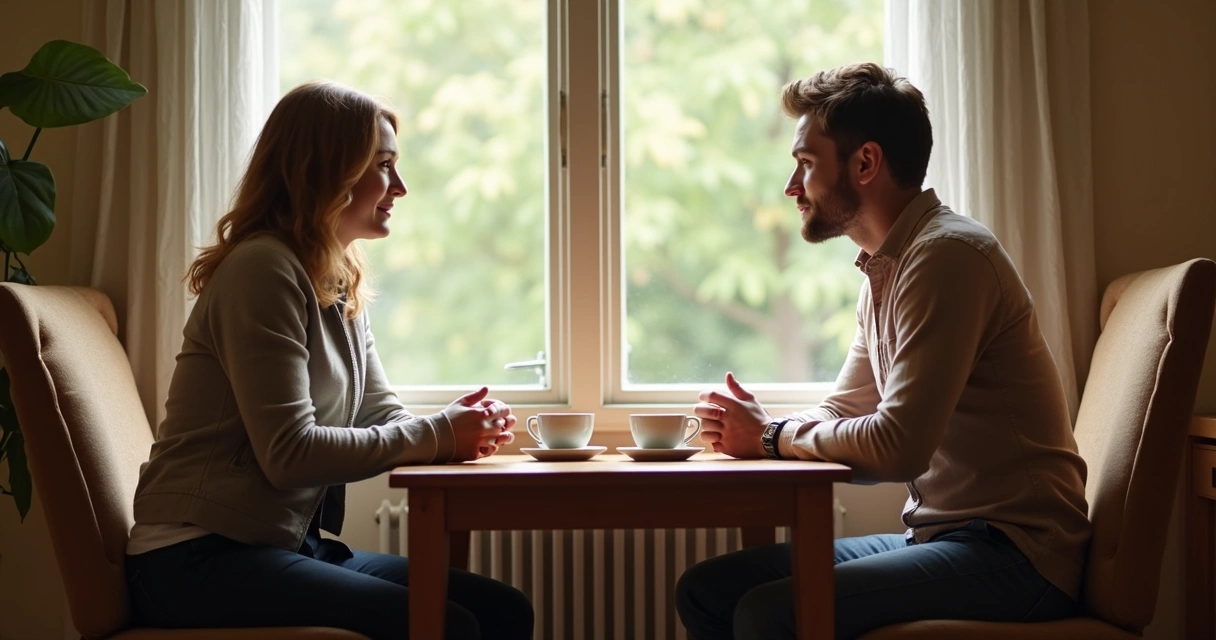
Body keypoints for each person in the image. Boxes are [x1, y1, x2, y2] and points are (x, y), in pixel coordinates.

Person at [675, 62, 1091, 639]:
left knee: (767, 613)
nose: (792, 188)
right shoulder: (887, 270)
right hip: (942, 538)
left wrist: (771, 437)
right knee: (709, 590)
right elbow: (844, 406)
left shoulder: (948, 258)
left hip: (1018, 554)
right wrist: (763, 428)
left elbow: (898, 448)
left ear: (865, 162)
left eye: (806, 164)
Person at [125, 81, 534, 640]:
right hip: (194, 557)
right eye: (384, 166)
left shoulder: (335, 276)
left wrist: (457, 427)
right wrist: (438, 433)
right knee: (452, 626)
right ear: (325, 170)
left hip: (281, 545)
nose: (402, 187)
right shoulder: (261, 270)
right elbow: (289, 454)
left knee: (503, 610)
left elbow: (378, 411)